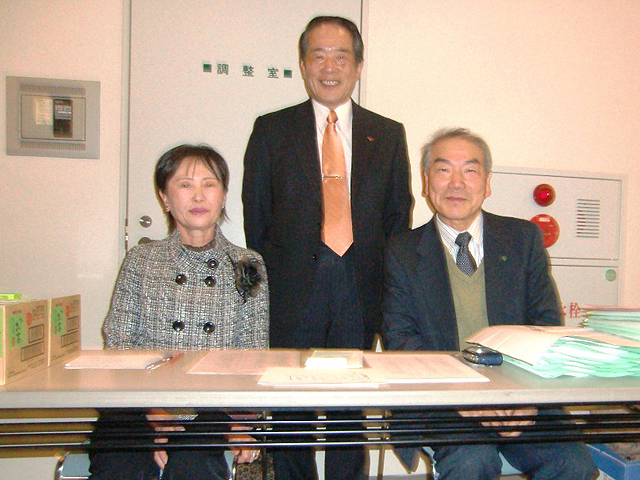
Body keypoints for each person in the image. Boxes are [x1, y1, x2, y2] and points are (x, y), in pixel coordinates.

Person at [242, 15, 412, 480]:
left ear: (358, 66)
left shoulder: (388, 133)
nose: (329, 66)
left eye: (341, 56)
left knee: (349, 407)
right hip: (294, 287)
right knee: (290, 405)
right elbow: (256, 217)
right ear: (303, 65)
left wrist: (388, 288)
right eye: (318, 56)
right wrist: (277, 280)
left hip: (361, 286)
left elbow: (398, 217)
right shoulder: (271, 129)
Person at [381, 127, 598, 480]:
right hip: (443, 400)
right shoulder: (401, 252)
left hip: (521, 396)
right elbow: (401, 340)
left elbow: (546, 327)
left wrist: (526, 399)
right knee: (472, 461)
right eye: (443, 169)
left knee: (574, 464)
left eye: (470, 170)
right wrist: (463, 397)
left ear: (487, 182)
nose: (456, 183)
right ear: (426, 182)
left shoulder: (523, 239)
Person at [90, 144, 269, 480]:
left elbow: (253, 354)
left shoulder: (248, 263)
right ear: (165, 198)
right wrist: (152, 411)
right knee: (123, 465)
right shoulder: (141, 260)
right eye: (185, 185)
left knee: (194, 465)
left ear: (223, 196)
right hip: (138, 402)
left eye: (209, 184)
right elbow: (119, 343)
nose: (198, 196)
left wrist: (241, 422)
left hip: (213, 408)